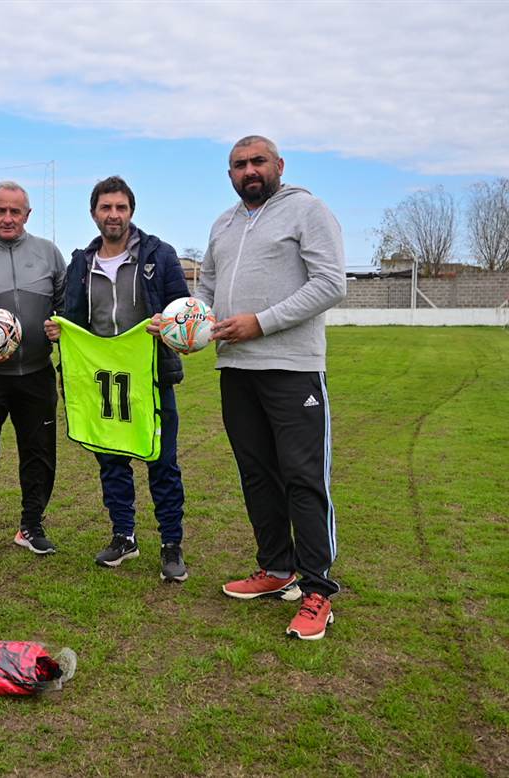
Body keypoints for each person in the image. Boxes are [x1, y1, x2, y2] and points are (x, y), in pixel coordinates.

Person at [197, 135, 346, 640]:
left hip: (293, 368)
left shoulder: (307, 211)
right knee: (257, 475)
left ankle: (318, 590)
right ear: (230, 174)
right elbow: (208, 293)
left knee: (304, 478)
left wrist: (260, 323)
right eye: (239, 165)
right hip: (236, 370)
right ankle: (276, 568)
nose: (249, 170)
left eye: (257, 161)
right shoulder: (223, 223)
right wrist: (186, 324)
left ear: (279, 165)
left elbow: (331, 283)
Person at [45, 176, 191, 581]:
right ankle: (124, 535)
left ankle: (171, 543)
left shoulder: (159, 255)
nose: (114, 215)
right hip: (102, 380)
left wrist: (171, 325)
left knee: (162, 461)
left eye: (121, 208)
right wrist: (62, 331)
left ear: (131, 211)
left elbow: (183, 308)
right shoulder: (80, 262)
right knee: (111, 460)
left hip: (151, 376)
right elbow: (72, 317)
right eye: (106, 208)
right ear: (94, 213)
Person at [0, 181, 67, 560]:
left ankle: (31, 525)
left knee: (38, 452)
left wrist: (61, 327)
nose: (7, 218)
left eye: (14, 211)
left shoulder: (49, 254)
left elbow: (66, 308)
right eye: (0, 211)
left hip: (36, 373)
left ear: (27, 214)